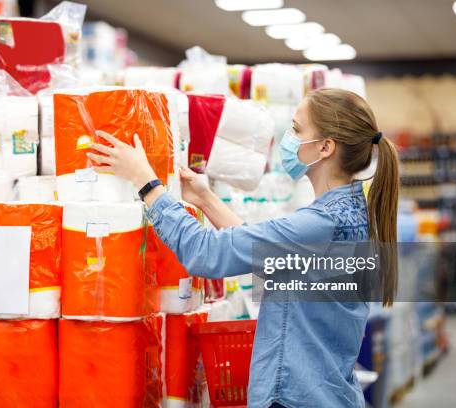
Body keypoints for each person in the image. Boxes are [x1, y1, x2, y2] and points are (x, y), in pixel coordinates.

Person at [87, 88, 400, 408]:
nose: (288, 140)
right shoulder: (350, 216)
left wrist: (145, 181)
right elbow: (265, 249)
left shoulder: (321, 226)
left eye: (296, 129)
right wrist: (205, 199)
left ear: (325, 147)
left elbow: (205, 253)